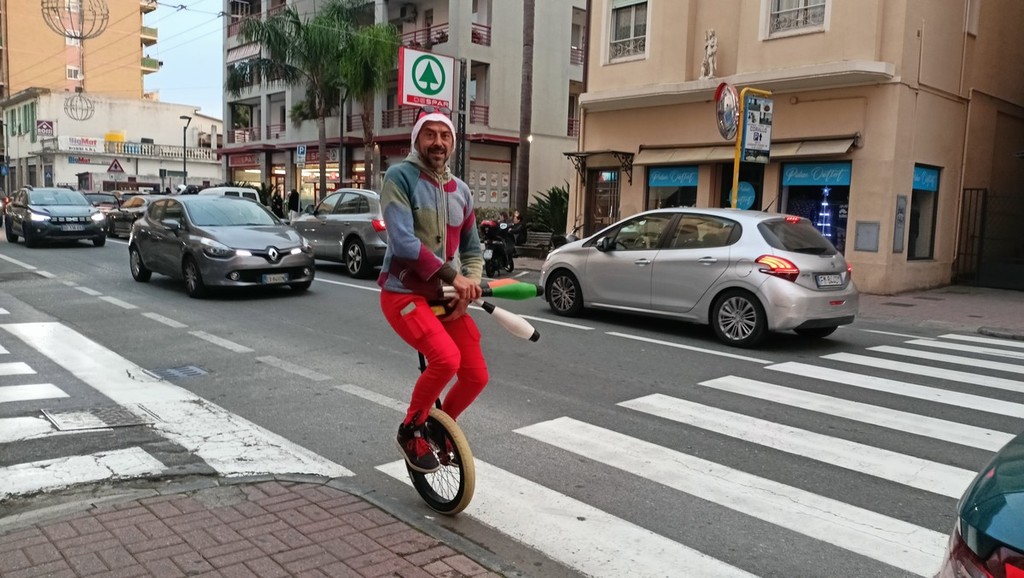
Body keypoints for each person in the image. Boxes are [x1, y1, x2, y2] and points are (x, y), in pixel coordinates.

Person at [377, 107, 485, 473]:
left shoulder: (462, 191)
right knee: (446, 359)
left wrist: (469, 285)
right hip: (403, 293)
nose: (438, 142)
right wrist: (455, 278)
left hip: (445, 296)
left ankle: (439, 430)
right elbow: (403, 242)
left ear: (452, 142)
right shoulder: (399, 177)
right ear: (417, 140)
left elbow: (472, 249)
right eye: (430, 134)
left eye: (445, 135)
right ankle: (411, 430)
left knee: (476, 375)